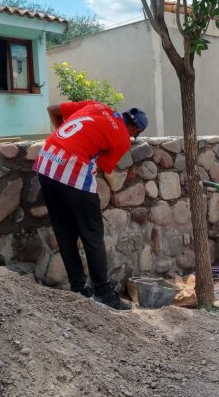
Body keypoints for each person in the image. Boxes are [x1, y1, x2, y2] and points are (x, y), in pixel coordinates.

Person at [34, 100, 148, 311]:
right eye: (136, 135)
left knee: (65, 232)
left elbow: (52, 109)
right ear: (134, 129)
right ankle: (103, 294)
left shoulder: (97, 106)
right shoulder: (122, 138)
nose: (133, 138)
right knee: (93, 234)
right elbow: (105, 166)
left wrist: (67, 140)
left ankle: (78, 289)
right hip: (71, 169)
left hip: (47, 161)